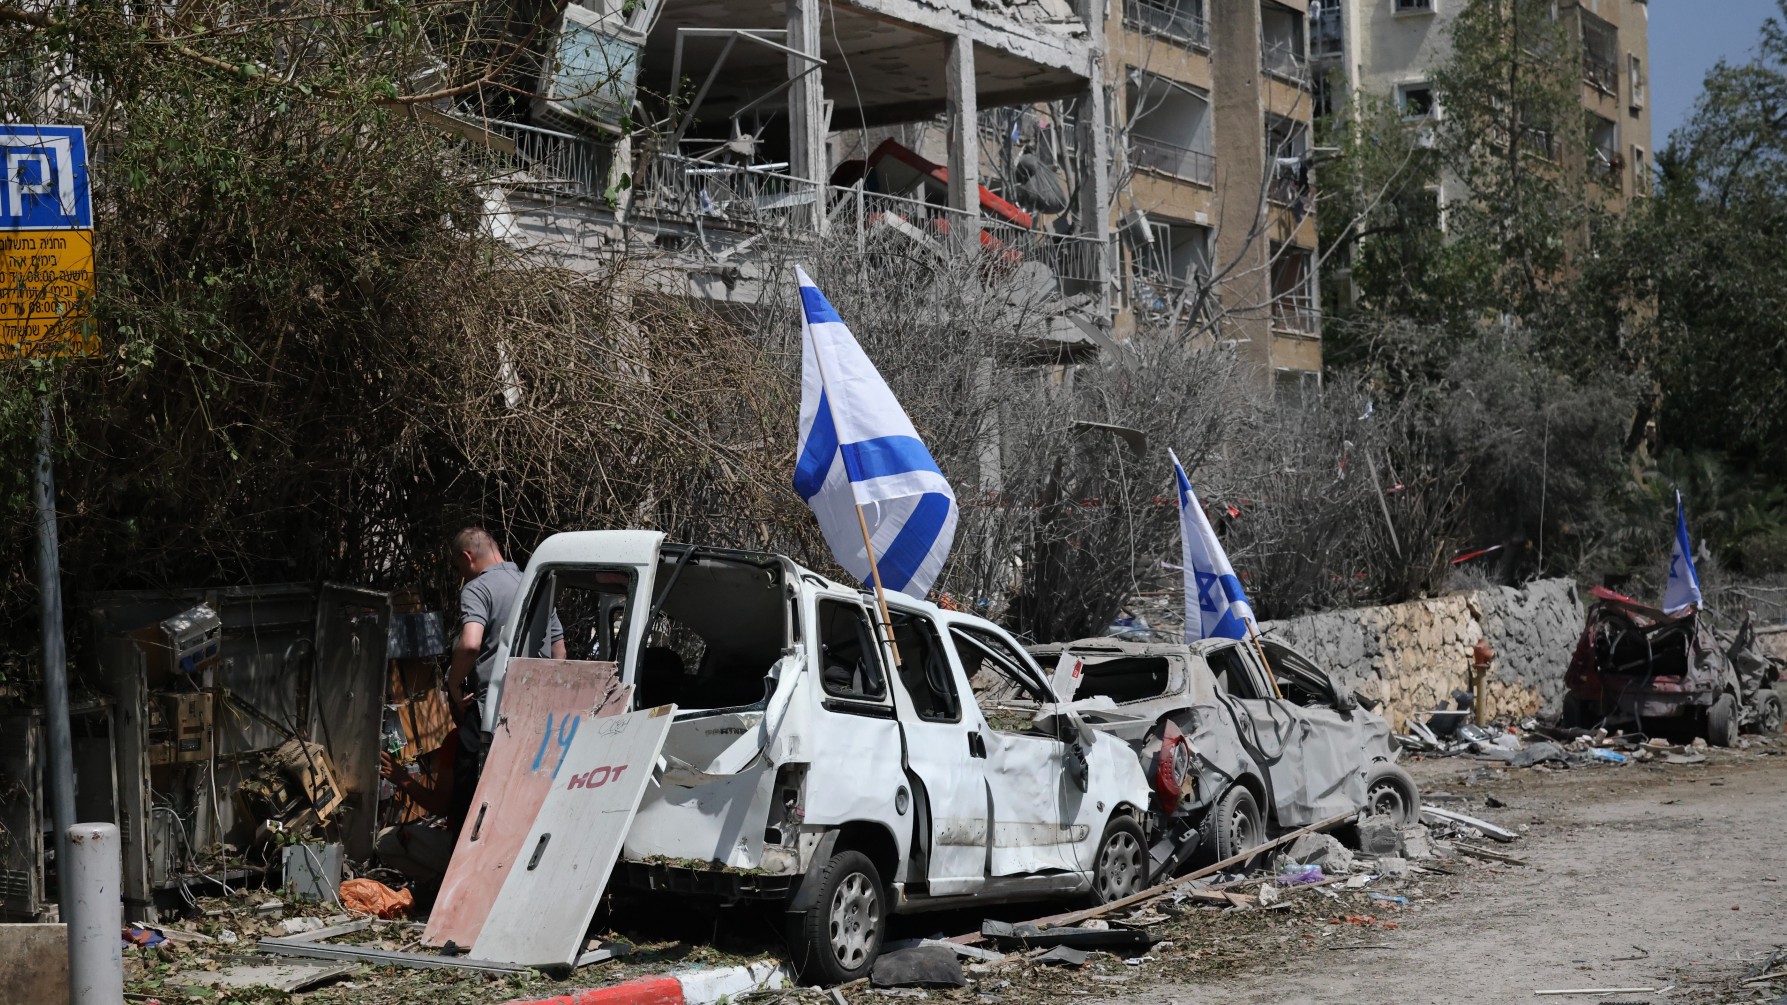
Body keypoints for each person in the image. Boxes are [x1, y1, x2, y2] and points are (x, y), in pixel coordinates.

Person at [444, 526, 565, 833]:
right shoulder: (534, 584)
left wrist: (454, 685)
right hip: (536, 717)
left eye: (460, 568)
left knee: (469, 807)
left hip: (489, 715)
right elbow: (559, 651)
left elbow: (471, 644)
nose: (463, 575)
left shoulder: (477, 588)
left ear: (467, 557)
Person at [373, 743, 458, 885]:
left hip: (459, 849)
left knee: (385, 840)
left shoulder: (457, 740)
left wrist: (401, 778)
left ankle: (437, 883)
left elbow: (439, 805)